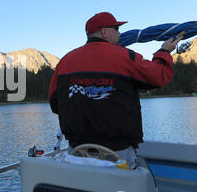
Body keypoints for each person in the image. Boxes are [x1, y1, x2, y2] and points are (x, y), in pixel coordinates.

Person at [48, 12, 183, 167]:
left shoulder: (65, 61)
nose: (119, 33)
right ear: (104, 31)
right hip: (118, 153)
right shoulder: (125, 56)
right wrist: (164, 52)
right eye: (116, 28)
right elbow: (159, 76)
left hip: (76, 152)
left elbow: (55, 102)